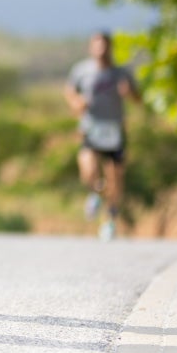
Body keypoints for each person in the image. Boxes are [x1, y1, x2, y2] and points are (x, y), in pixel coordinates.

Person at [64, 30, 142, 241]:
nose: (101, 49)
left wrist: (129, 93)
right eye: (97, 45)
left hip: (114, 131)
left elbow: (138, 98)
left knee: (115, 179)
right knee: (88, 171)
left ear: (110, 48)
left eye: (105, 45)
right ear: (91, 47)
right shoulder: (81, 71)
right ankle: (95, 194)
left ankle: (109, 222)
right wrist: (76, 103)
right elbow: (69, 91)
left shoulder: (121, 74)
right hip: (91, 128)